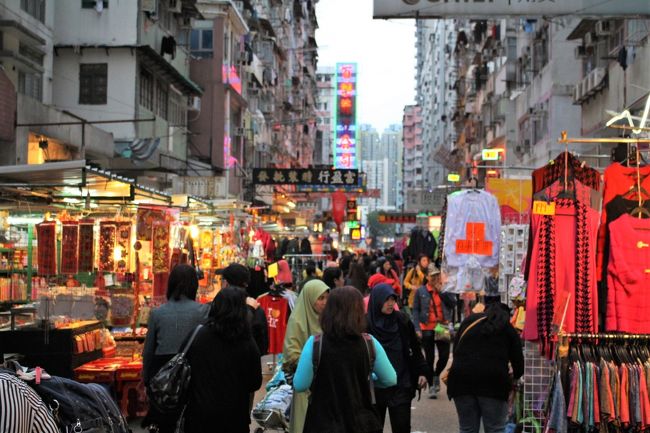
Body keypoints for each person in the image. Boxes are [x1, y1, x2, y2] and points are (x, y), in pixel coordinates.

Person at [294, 286, 397, 433]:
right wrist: (370, 380)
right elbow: (390, 379)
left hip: (322, 422)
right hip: (361, 421)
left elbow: (300, 385)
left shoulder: (315, 343)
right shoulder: (369, 343)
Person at [184, 287, 263, 433]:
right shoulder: (246, 342)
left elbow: (183, 369)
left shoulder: (197, 335)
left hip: (199, 416)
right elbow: (255, 382)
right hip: (234, 418)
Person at [142, 264, 209, 433]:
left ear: (170, 284)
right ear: (194, 285)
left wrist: (146, 380)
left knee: (166, 424)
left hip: (163, 375)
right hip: (194, 374)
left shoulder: (157, 313)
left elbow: (148, 351)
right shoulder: (203, 311)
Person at [447, 302, 524, 433]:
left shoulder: (469, 321)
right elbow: (518, 361)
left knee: (467, 429)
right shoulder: (506, 327)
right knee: (495, 429)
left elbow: (456, 350)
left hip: (461, 380)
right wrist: (515, 377)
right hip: (493, 382)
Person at [367, 284, 428, 433]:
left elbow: (415, 347)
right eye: (386, 300)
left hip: (401, 383)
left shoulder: (402, 320)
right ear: (376, 301)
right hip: (375, 387)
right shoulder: (365, 324)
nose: (390, 303)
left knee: (402, 427)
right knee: (373, 428)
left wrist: (422, 371)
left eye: (392, 299)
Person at [282, 279, 330, 433]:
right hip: (306, 385)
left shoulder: (329, 320)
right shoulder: (297, 321)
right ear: (309, 299)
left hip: (327, 384)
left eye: (327, 298)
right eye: (320, 298)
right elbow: (291, 354)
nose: (325, 302)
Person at [411, 264, 451, 399]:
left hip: (442, 326)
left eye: (437, 275)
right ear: (427, 277)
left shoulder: (444, 288)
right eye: (432, 275)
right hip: (426, 327)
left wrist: (442, 291)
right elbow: (415, 310)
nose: (435, 278)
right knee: (429, 357)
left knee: (444, 356)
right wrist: (416, 328)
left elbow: (453, 304)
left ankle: (435, 374)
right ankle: (432, 386)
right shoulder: (421, 291)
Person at [217, 263, 268, 357]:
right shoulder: (257, 310)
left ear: (226, 283)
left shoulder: (218, 308)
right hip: (248, 366)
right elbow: (263, 347)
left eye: (222, 280)